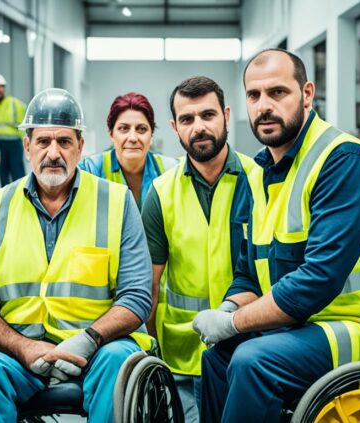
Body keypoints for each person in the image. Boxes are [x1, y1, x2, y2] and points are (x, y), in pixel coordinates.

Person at [193, 48, 360, 422]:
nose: (264, 105)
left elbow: (318, 280)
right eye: (254, 95)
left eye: (277, 92)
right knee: (217, 358)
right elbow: (249, 273)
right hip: (299, 329)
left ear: (307, 94)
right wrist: (228, 309)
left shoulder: (343, 160)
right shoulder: (260, 174)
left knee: (252, 361)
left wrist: (233, 323)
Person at [0, 88, 154, 423]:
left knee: (119, 360)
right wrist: (23, 347)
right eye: (43, 142)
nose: (53, 153)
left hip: (98, 351)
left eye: (64, 142)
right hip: (20, 356)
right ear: (27, 146)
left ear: (80, 146)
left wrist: (88, 340)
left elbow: (136, 296)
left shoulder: (117, 202)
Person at [141, 76, 256, 422]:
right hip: (181, 359)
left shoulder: (260, 180)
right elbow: (150, 286)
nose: (199, 127)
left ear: (226, 115)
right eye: (187, 119)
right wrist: (150, 352)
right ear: (175, 127)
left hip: (247, 347)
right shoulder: (161, 193)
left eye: (208, 115)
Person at [79, 92, 176, 207]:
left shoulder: (171, 170)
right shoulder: (90, 170)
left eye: (141, 129)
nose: (133, 138)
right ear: (111, 134)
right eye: (124, 128)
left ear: (151, 136)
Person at [0, 73, 27, 186]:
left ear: (4, 88)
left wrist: (26, 144)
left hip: (15, 144)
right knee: (3, 176)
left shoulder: (15, 103)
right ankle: (6, 197)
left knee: (18, 176)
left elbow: (24, 126)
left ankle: (22, 195)